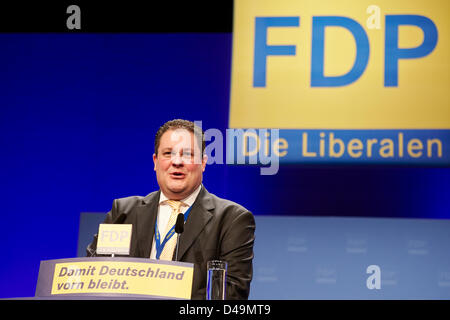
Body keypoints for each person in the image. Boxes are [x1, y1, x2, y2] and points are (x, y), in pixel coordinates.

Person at [87, 119, 256, 299]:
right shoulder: (123, 213)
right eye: (168, 153)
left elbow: (232, 294)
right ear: (155, 161)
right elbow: (93, 275)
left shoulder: (232, 220)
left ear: (203, 163)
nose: (176, 162)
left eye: (188, 154)